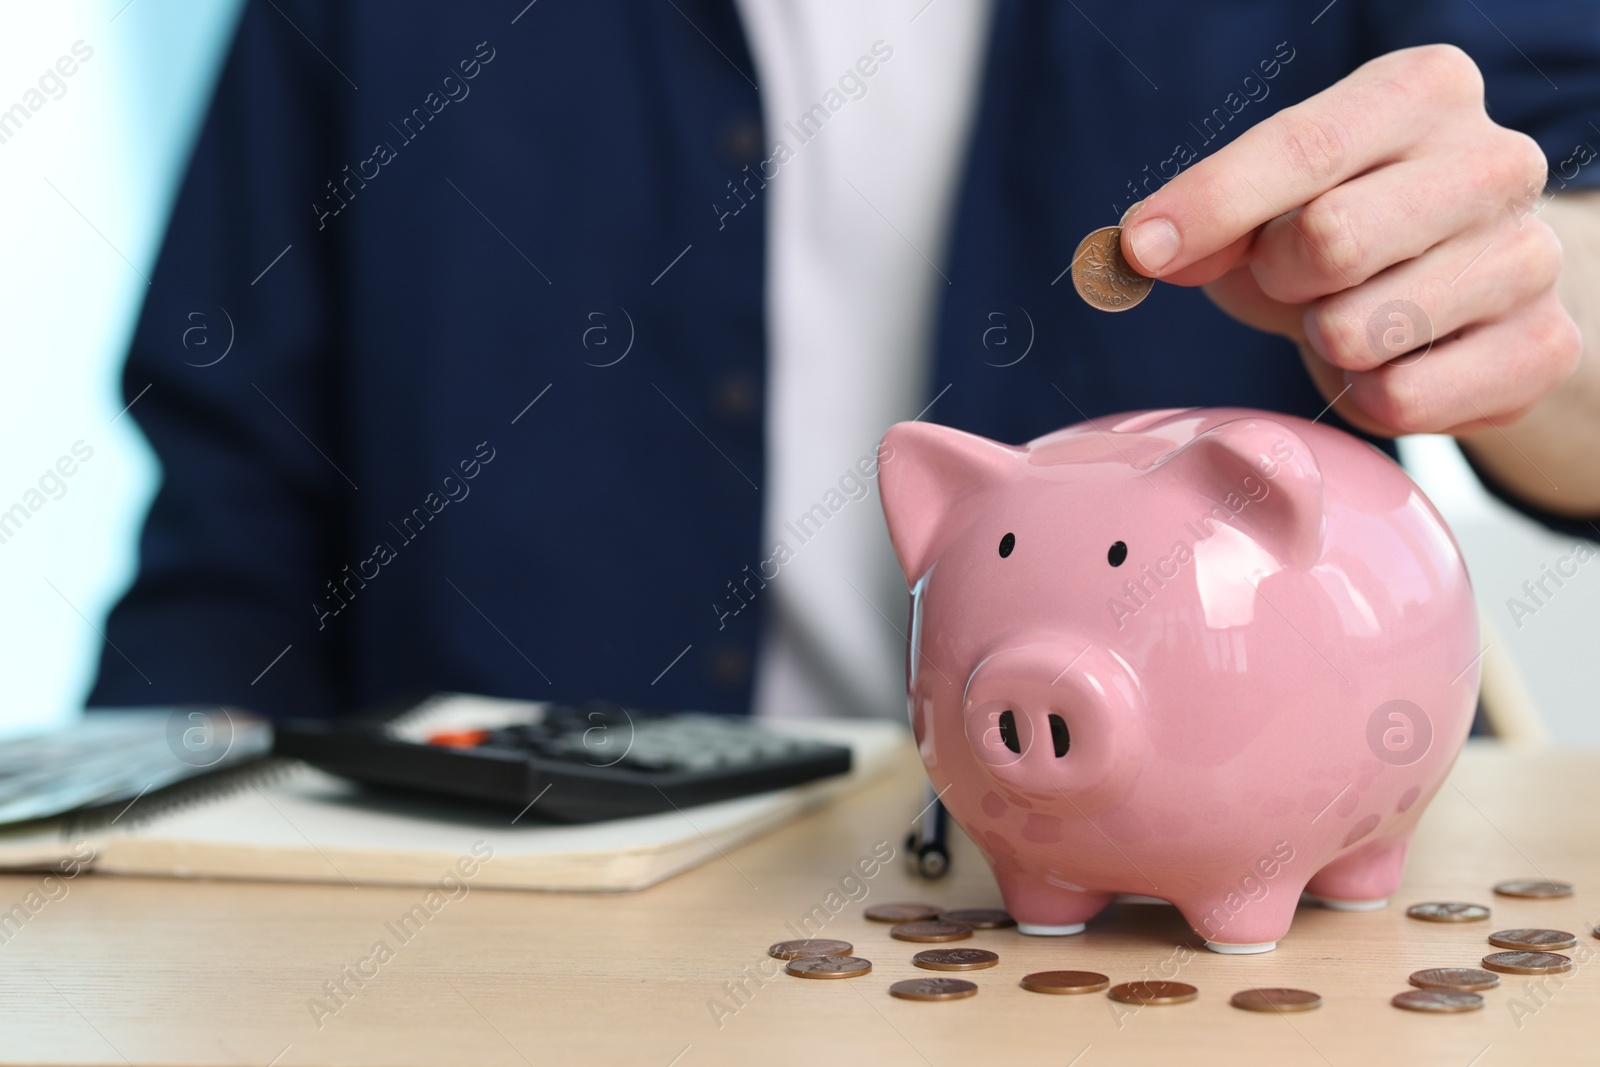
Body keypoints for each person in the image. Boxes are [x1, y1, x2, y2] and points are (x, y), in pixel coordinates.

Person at [89, 0, 1600, 724]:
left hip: (1214, 939)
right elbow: (232, 551)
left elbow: (1561, 263)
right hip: (522, 954)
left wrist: (1515, 307)